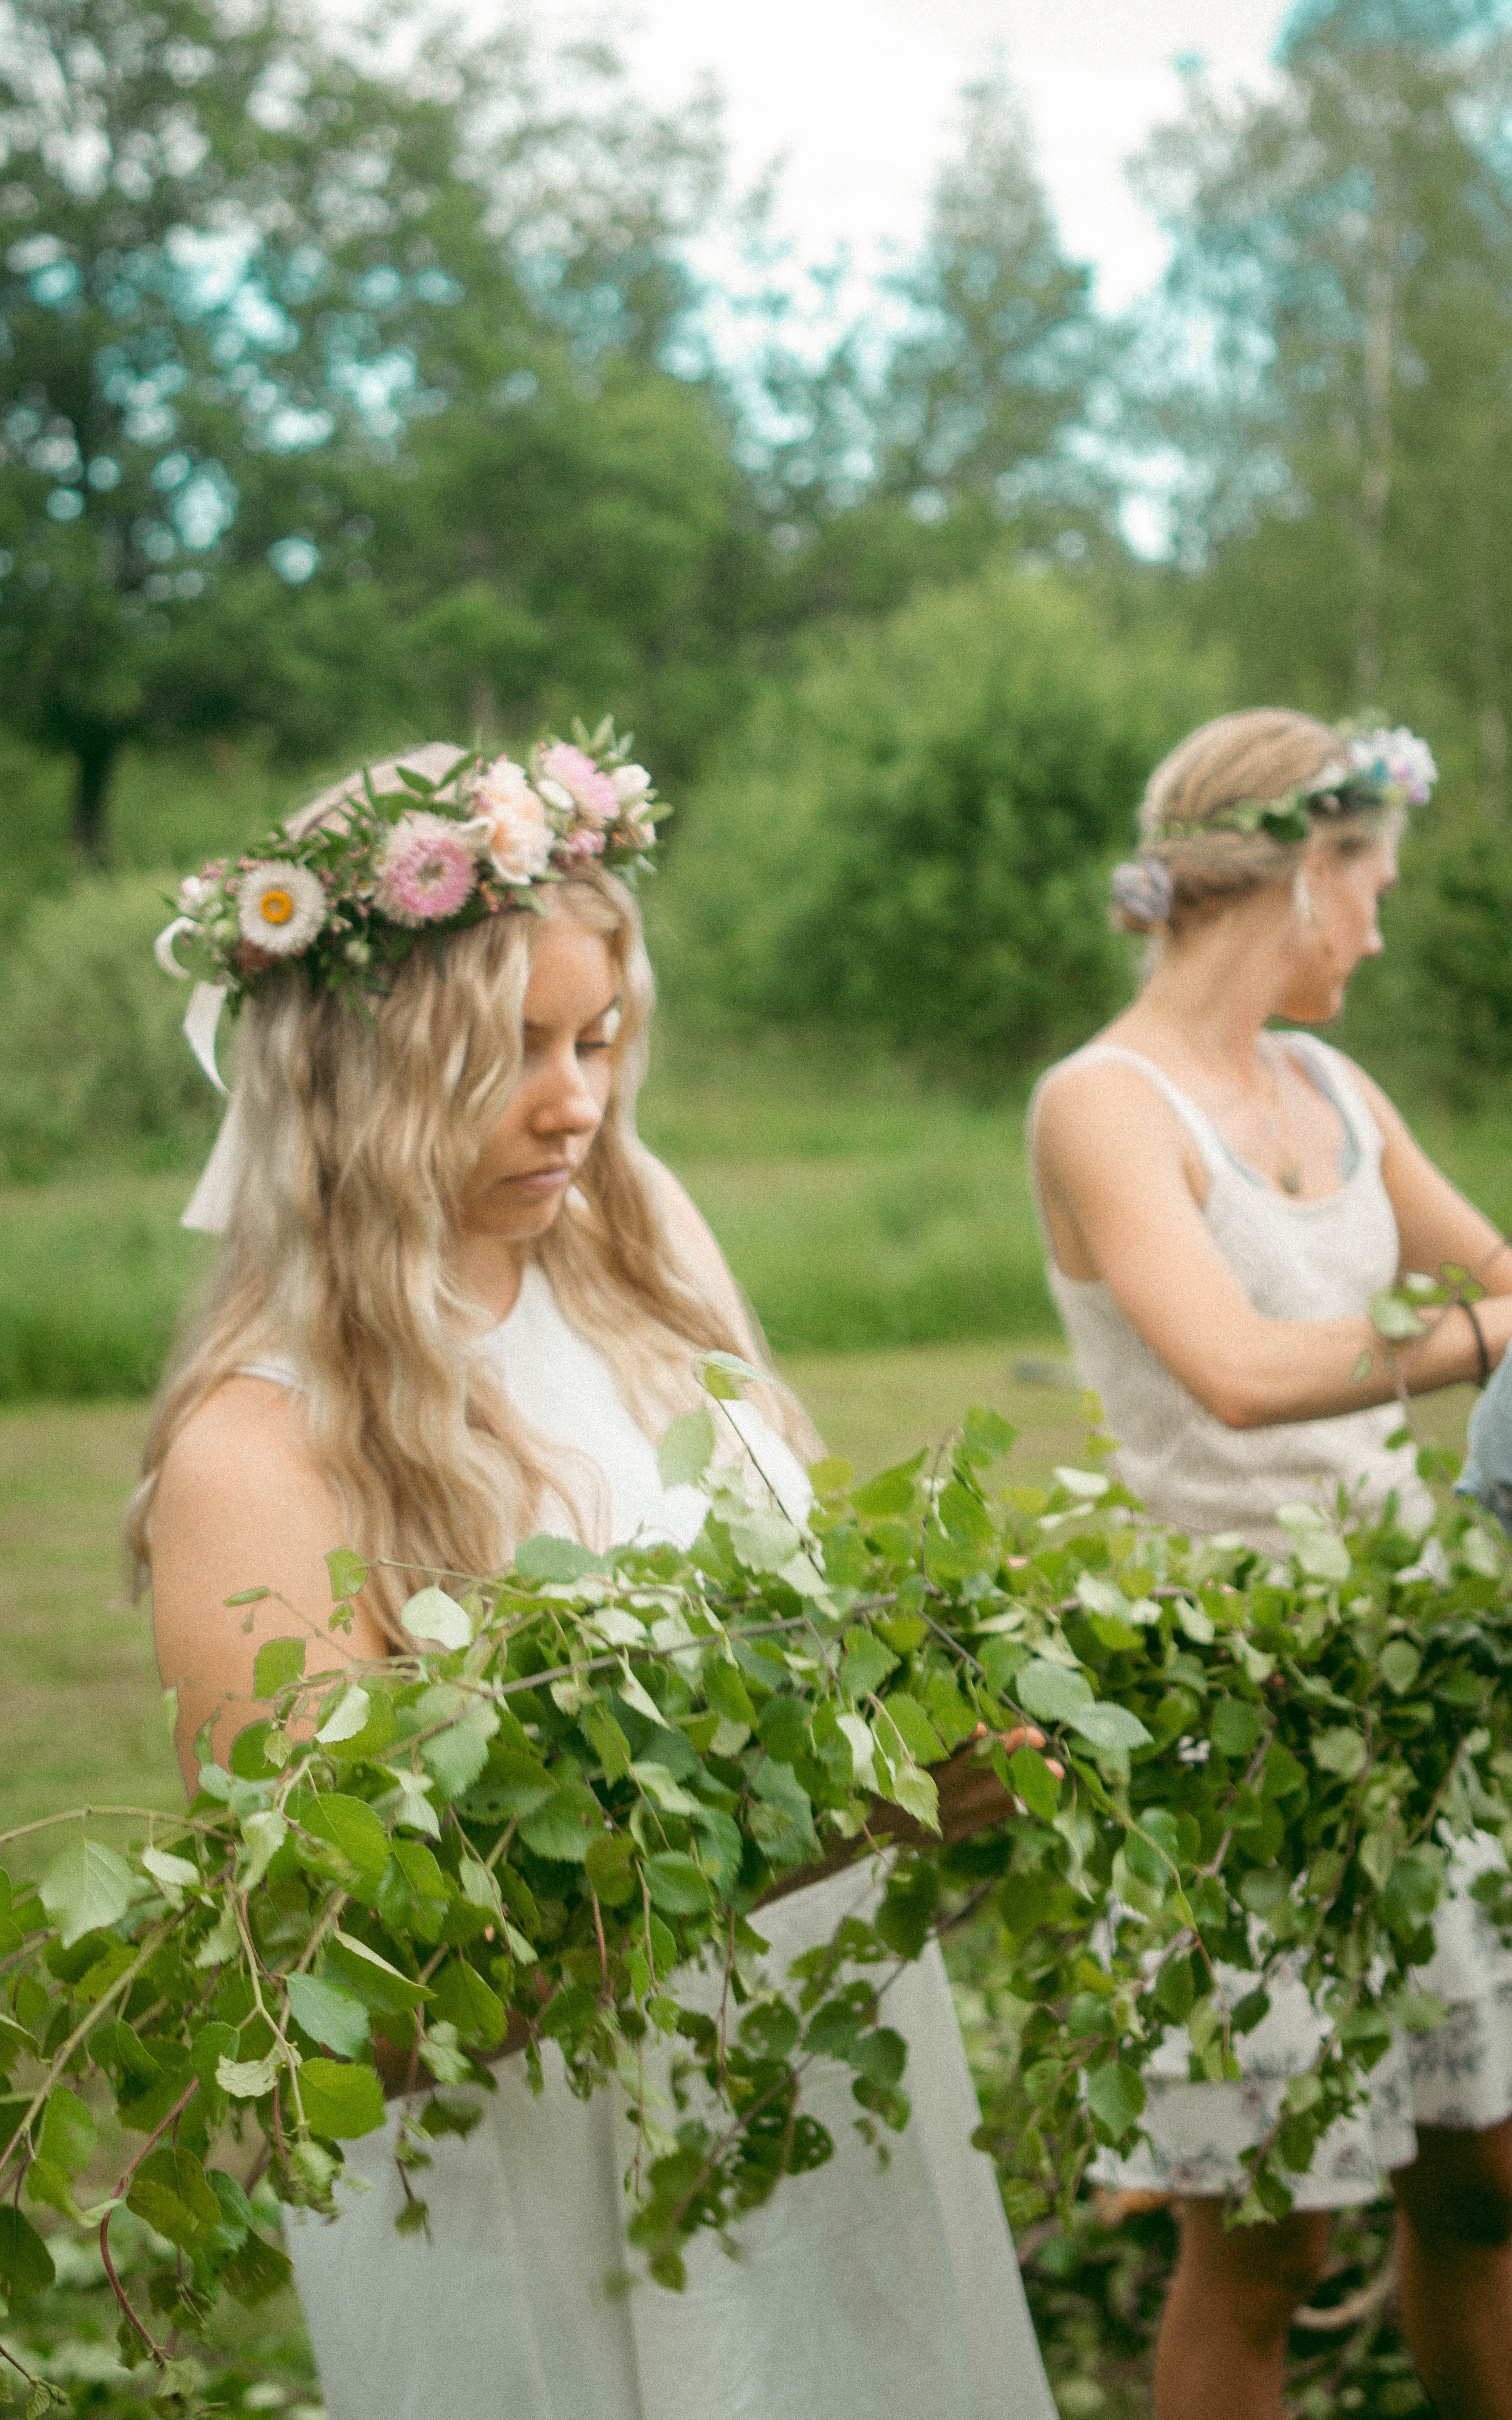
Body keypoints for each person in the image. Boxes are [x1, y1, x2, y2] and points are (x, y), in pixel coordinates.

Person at [133, 735, 1059, 2420]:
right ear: (355, 1070)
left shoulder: (644, 1267)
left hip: (806, 2102)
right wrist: (846, 1822)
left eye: (599, 1038)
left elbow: (815, 1618)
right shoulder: (257, 1455)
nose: (579, 1100)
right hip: (545, 2201)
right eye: (511, 1053)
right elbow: (348, 2010)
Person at [1030, 708, 1512, 2420]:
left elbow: (1500, 1263)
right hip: (1231, 1715)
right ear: (1307, 871)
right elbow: (1234, 1373)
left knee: (1485, 2183)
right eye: (1371, 882)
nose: (1379, 927)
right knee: (1268, 2244)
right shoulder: (1102, 1102)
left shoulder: (1334, 1083)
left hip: (1418, 1685)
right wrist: (1481, 1338)